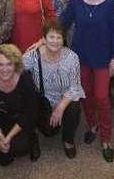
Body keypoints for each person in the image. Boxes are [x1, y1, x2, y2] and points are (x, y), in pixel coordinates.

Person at [59, 0, 114, 162]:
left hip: (103, 57)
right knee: (84, 94)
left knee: (102, 97)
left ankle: (105, 139)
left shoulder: (110, 2)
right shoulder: (75, 1)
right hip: (80, 57)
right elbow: (62, 23)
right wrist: (46, 39)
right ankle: (92, 124)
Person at [23, 21, 85, 158]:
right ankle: (36, 131)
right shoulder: (34, 56)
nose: (55, 41)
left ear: (63, 40)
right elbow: (14, 67)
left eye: (59, 37)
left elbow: (75, 87)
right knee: (49, 132)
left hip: (64, 99)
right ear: (43, 39)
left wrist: (60, 108)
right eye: (51, 37)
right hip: (43, 102)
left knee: (74, 106)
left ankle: (68, 141)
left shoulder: (72, 57)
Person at [0, 44, 40, 165]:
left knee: (20, 149)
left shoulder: (25, 78)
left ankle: (33, 137)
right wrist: (0, 136)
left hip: (21, 120)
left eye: (9, 64)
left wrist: (8, 138)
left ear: (16, 64)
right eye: (0, 64)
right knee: (4, 160)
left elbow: (29, 112)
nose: (5, 69)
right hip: (1, 121)